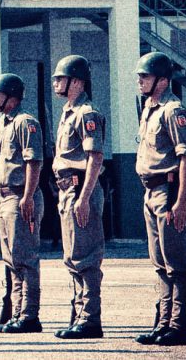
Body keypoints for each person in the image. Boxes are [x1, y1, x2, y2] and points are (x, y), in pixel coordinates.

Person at [134, 52, 186, 347]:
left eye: (144, 76)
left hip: (169, 191)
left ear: (161, 80)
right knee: (160, 262)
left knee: (178, 262)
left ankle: (179, 326)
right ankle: (163, 324)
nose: (139, 81)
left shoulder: (174, 110)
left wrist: (181, 202)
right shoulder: (150, 109)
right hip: (151, 191)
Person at [51, 55, 106, 339]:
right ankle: (78, 316)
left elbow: (94, 156)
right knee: (72, 257)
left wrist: (84, 197)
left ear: (77, 81)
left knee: (85, 257)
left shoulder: (87, 113)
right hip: (67, 190)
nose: (55, 82)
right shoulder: (68, 112)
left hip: (80, 187)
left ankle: (90, 320)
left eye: (60, 78)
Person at [0, 73, 44, 334]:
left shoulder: (25, 122)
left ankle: (29, 315)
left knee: (25, 258)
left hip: (21, 195)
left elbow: (34, 162)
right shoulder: (3, 123)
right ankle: (17, 312)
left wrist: (28, 196)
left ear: (11, 96)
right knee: (11, 260)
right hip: (4, 196)